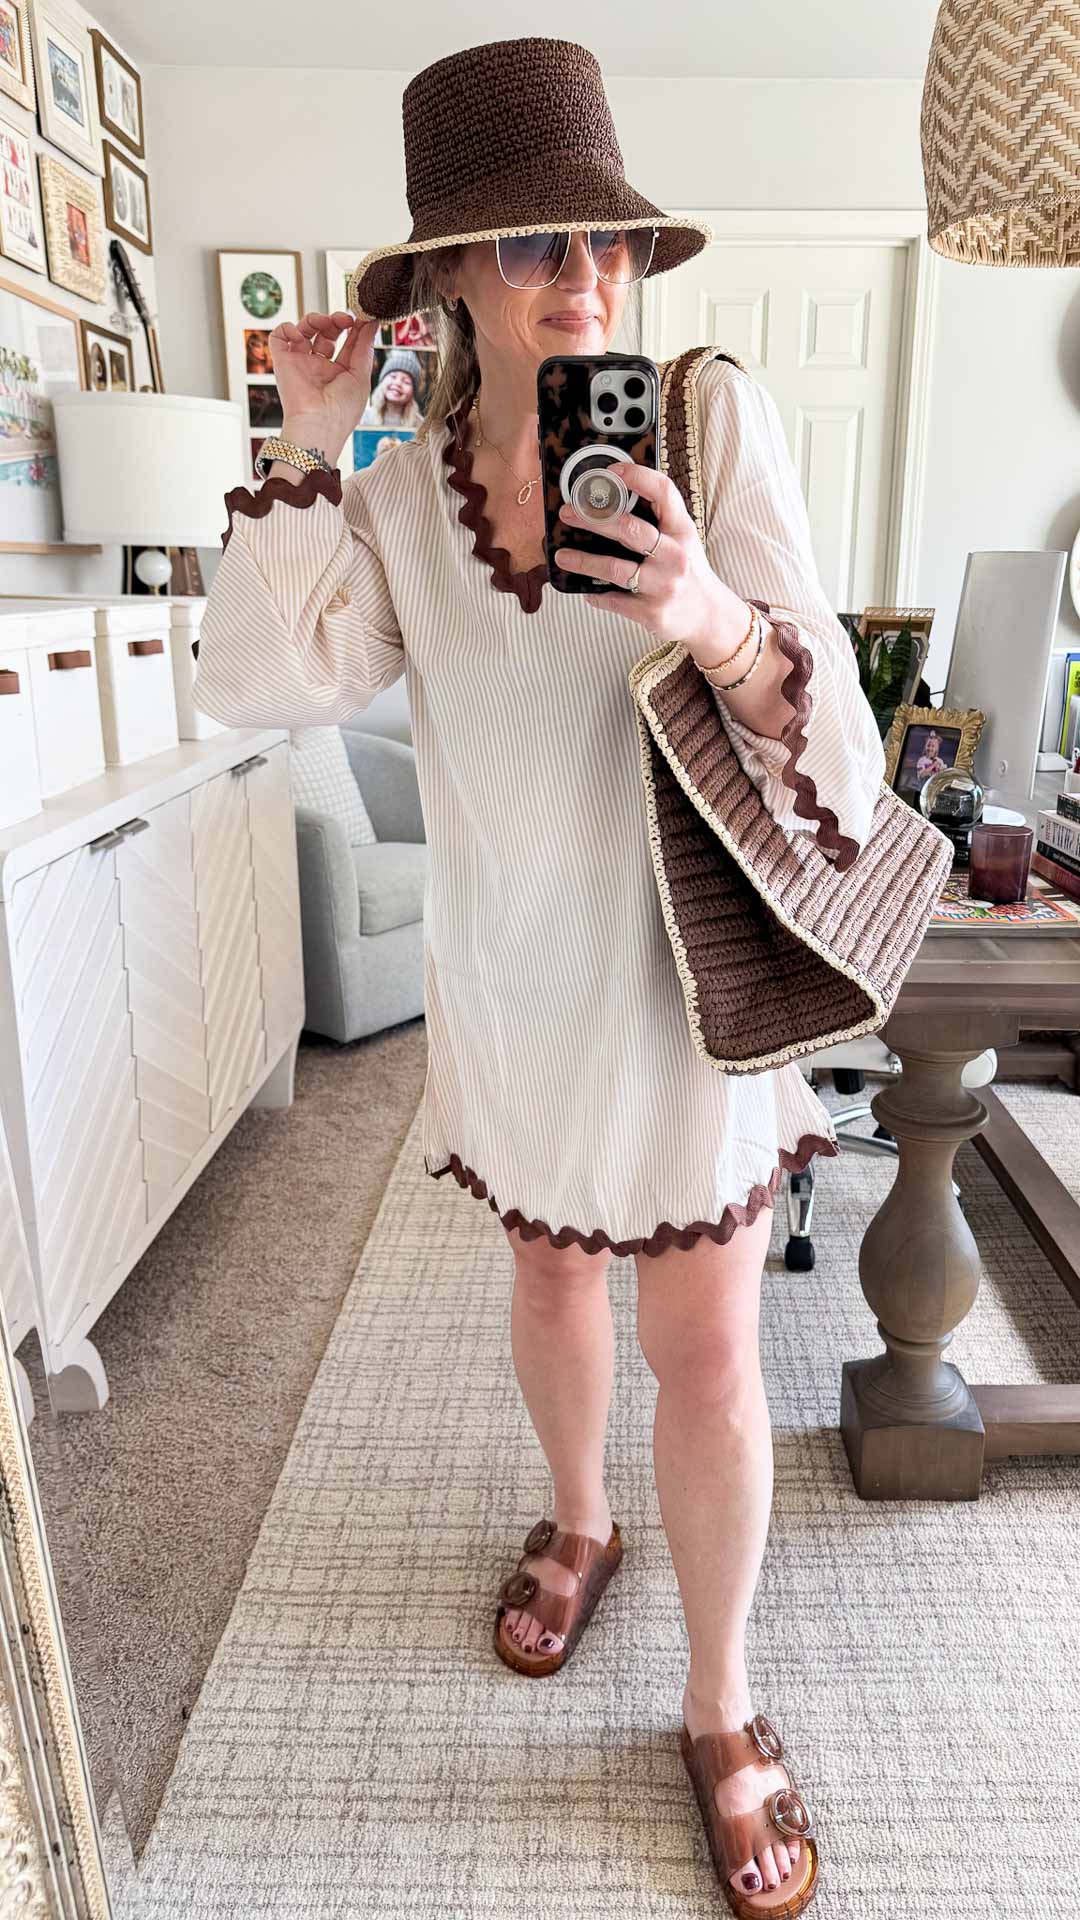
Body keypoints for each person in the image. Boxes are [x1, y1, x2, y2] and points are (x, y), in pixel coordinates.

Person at [192, 36, 885, 1916]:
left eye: (608, 237)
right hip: (510, 980)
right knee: (552, 1276)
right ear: (443, 279)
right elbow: (265, 686)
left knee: (709, 1344)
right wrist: (310, 448)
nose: (585, 276)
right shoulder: (399, 491)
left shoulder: (707, 423)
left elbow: (833, 734)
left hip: (682, 987)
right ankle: (582, 1522)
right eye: (528, 244)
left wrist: (707, 612)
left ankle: (720, 1704)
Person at [359, 347, 426, 427]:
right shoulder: (363, 418)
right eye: (393, 377)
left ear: (413, 392)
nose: (398, 383)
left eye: (406, 382)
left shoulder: (420, 425)